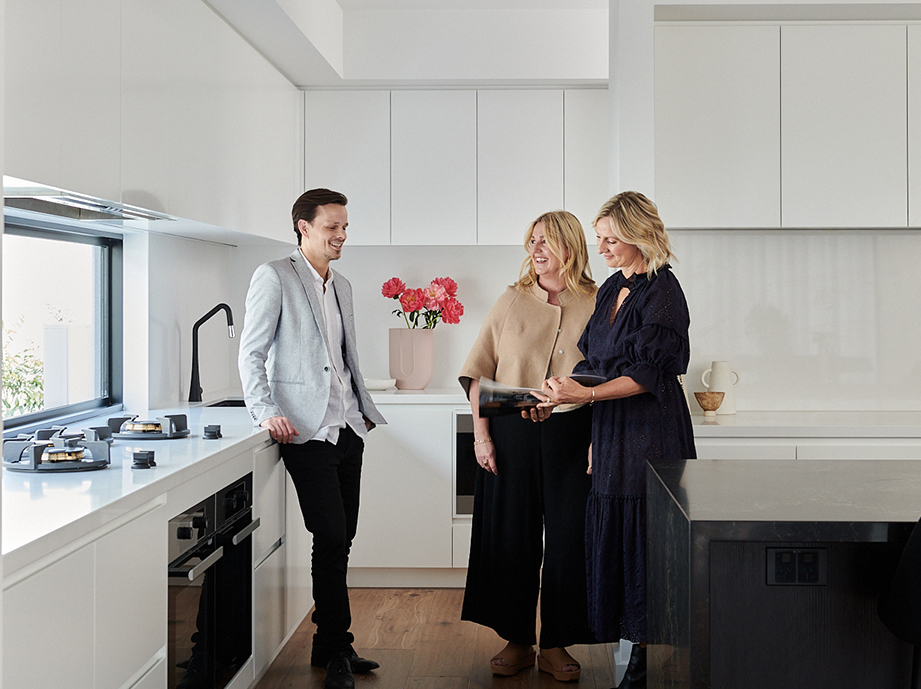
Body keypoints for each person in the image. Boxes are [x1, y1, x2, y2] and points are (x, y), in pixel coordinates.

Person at [538, 191, 696, 689]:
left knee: (647, 538)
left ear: (639, 236)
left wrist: (585, 399)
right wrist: (562, 394)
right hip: (611, 430)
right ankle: (635, 652)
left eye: (611, 238)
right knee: (619, 535)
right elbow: (596, 365)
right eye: (599, 237)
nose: (601, 246)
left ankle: (647, 661)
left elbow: (647, 374)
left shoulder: (664, 293)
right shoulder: (610, 290)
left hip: (652, 430)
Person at [238, 188, 386, 689]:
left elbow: (343, 357)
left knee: (342, 538)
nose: (342, 235)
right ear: (303, 226)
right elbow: (251, 353)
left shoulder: (340, 283)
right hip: (305, 431)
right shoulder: (274, 276)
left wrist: (361, 415)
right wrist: (264, 411)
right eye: (332, 227)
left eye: (345, 227)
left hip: (347, 426)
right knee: (329, 536)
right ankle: (338, 648)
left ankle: (327, 644)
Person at [459, 210, 599, 682]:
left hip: (574, 434)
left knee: (568, 541)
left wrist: (600, 441)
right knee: (510, 537)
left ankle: (556, 642)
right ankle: (516, 639)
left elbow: (608, 380)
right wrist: (481, 437)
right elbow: (478, 374)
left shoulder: (601, 302)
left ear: (571, 246)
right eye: (532, 241)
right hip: (510, 433)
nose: (536, 250)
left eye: (546, 241)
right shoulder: (511, 300)